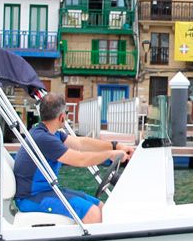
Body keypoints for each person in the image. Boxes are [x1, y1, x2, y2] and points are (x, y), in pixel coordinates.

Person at [13, 93, 134, 225]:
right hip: (32, 198)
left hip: (49, 191)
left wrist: (116, 145)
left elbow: (81, 143)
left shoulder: (50, 133)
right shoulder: (44, 139)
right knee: (92, 213)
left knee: (101, 207)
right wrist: (110, 154)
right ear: (62, 117)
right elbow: (80, 159)